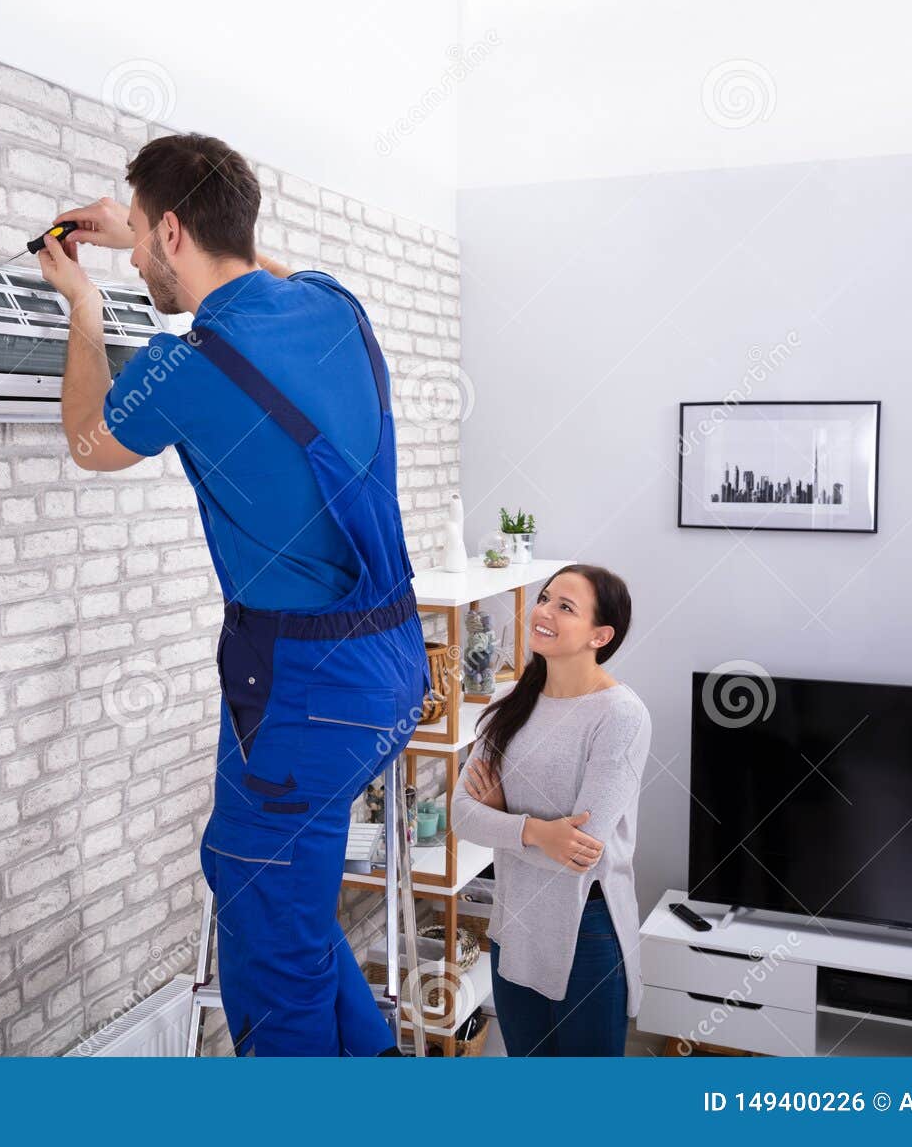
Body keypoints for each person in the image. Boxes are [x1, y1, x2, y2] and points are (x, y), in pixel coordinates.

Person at [36, 133, 431, 1056]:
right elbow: (266, 273)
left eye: (138, 237)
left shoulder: (186, 367)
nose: (131, 256)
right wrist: (145, 221)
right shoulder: (338, 310)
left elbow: (91, 443)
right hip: (390, 661)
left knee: (269, 943)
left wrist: (85, 306)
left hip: (301, 684)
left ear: (172, 231)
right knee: (256, 878)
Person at [449, 564, 649, 1056]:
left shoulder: (620, 715)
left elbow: (580, 853)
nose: (543, 612)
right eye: (544, 598)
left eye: (565, 607)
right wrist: (536, 831)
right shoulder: (509, 701)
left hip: (585, 929)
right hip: (513, 925)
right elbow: (460, 815)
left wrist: (502, 818)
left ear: (600, 635)